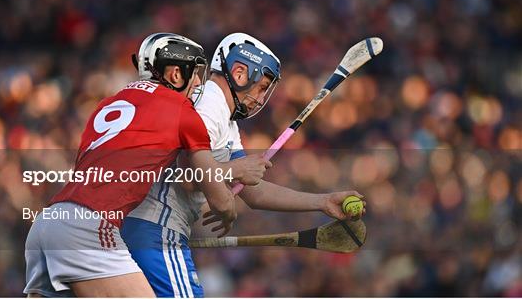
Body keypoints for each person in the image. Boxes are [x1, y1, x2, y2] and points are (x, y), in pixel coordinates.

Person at [23, 33, 271, 297]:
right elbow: (217, 197)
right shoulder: (182, 111)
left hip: (47, 224)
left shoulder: (108, 103)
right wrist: (232, 194)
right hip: (90, 228)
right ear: (176, 74)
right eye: (196, 72)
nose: (199, 82)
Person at [121, 32, 366, 297]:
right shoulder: (209, 104)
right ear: (240, 72)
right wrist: (228, 191)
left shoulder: (225, 120)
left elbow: (254, 191)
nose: (262, 99)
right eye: (262, 87)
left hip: (148, 229)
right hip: (154, 228)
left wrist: (322, 201)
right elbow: (188, 178)